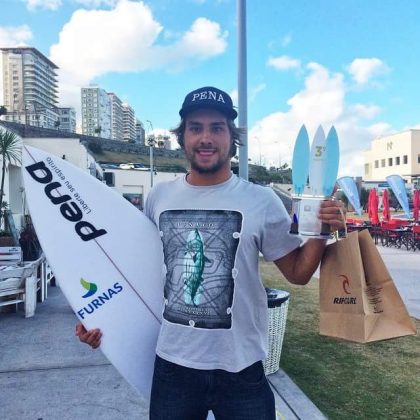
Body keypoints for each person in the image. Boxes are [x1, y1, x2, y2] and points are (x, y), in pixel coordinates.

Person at [76, 86, 344, 419]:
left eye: (217, 128)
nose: (206, 137)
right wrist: (98, 319)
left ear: (233, 138)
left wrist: (321, 230)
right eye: (196, 127)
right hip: (174, 366)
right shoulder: (159, 198)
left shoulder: (261, 201)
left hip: (241, 368)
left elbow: (298, 274)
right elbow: (133, 271)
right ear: (182, 137)